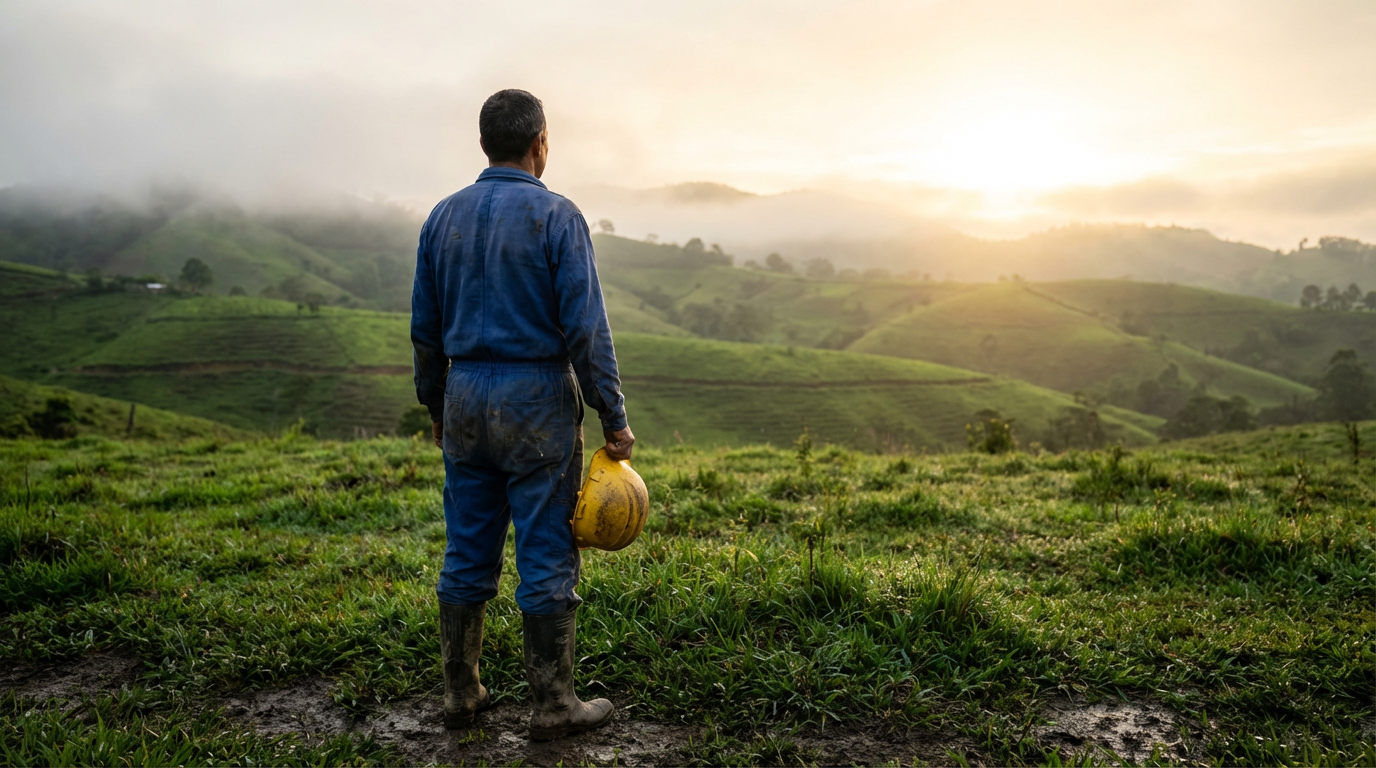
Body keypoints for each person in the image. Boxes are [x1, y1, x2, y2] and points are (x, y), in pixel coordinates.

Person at [410, 88, 635, 740]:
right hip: (536, 400)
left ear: (484, 144)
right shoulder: (558, 216)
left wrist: (436, 406)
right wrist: (612, 415)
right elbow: (586, 328)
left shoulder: (441, 217)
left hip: (464, 396)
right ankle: (554, 704)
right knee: (546, 552)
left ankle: (461, 693)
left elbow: (425, 330)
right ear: (540, 143)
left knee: (466, 550)